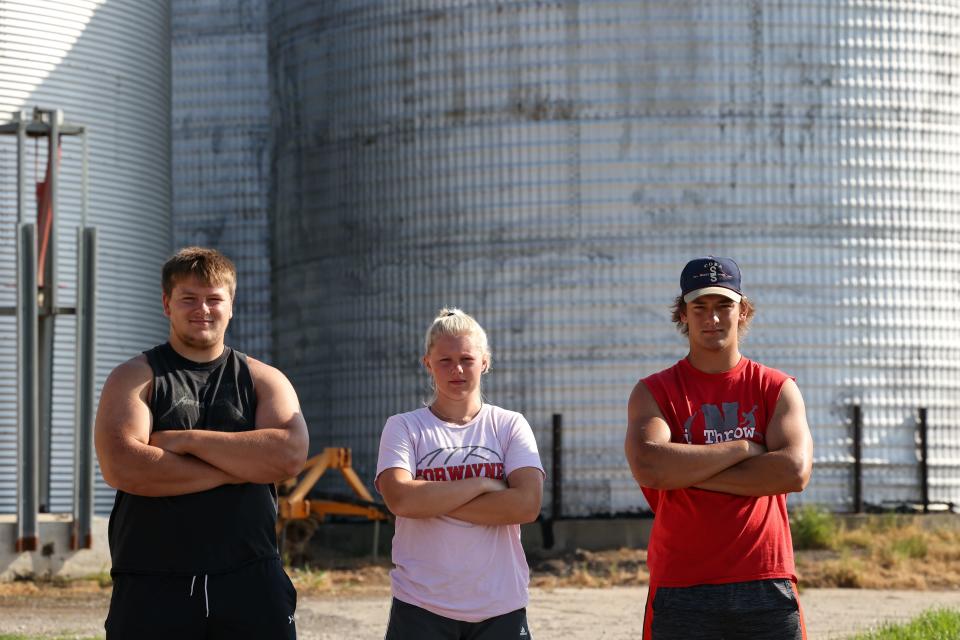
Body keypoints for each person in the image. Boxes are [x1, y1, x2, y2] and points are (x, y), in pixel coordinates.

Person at [94, 247, 308, 639]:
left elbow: (288, 455)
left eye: (214, 299)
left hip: (250, 578)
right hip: (152, 581)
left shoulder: (263, 379)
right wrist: (240, 466)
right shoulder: (135, 378)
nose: (202, 309)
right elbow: (124, 466)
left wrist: (185, 440)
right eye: (188, 299)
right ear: (166, 304)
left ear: (231, 305)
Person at [624, 256, 813, 640]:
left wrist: (687, 472)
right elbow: (650, 466)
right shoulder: (654, 392)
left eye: (723, 305)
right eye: (700, 307)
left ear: (742, 310)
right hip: (682, 584)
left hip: (765, 578)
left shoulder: (775, 387)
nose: (712, 318)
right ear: (683, 314)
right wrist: (744, 448)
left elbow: (793, 471)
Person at [376, 308, 544, 640]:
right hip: (421, 606)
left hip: (500, 607)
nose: (457, 370)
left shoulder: (509, 425)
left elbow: (526, 505)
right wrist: (482, 485)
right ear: (427, 363)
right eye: (445, 360)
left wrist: (429, 500)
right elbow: (399, 498)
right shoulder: (404, 427)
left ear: (484, 361)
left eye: (467, 359)